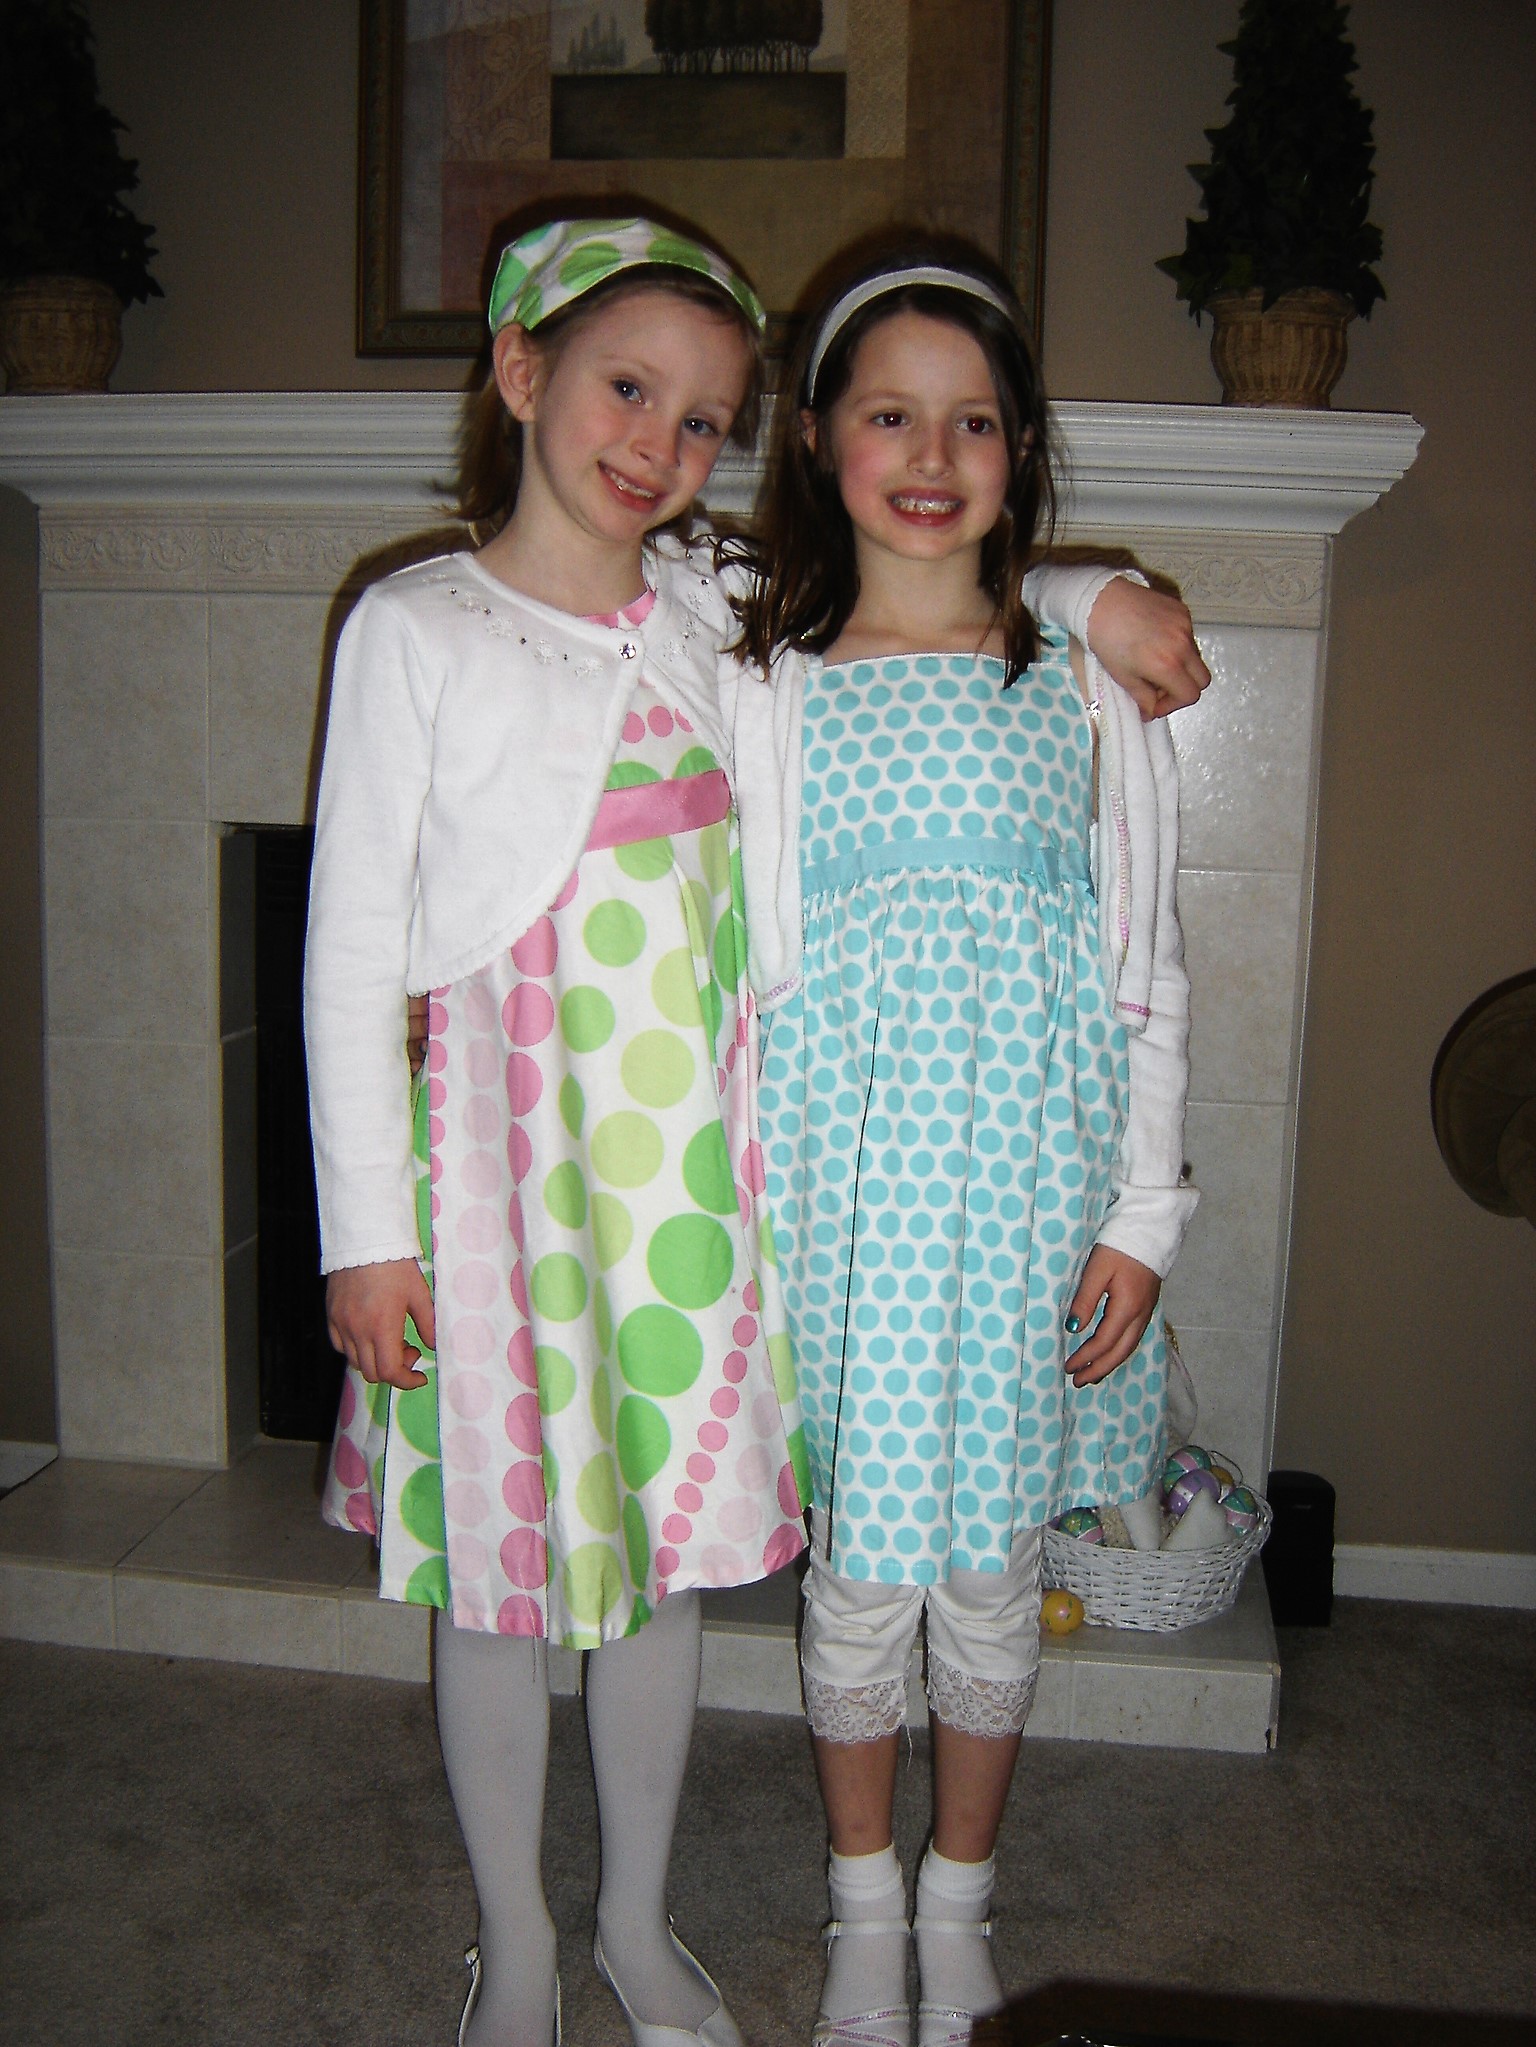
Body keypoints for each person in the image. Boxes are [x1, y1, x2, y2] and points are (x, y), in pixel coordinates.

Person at [307, 213, 1206, 2047]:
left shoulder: (717, 608)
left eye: (702, 416)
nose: (660, 441)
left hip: (698, 1186)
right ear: (520, 371)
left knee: (665, 1569)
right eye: (628, 389)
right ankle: (522, 1947)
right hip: (494, 1191)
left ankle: (638, 1926)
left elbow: (937, 568)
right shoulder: (417, 626)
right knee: (500, 1578)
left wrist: (1096, 591)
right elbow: (343, 954)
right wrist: (362, 1230)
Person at [731, 242, 1200, 2047]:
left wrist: (1145, 1212)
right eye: (889, 416)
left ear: (1022, 449)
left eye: (976, 422)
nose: (932, 457)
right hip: (843, 1211)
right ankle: (863, 1914)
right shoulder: (764, 683)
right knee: (859, 1581)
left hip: (1025, 1203)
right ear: (817, 438)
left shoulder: (1077, 685)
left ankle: (960, 1905)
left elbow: (1147, 969)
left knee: (995, 1577)